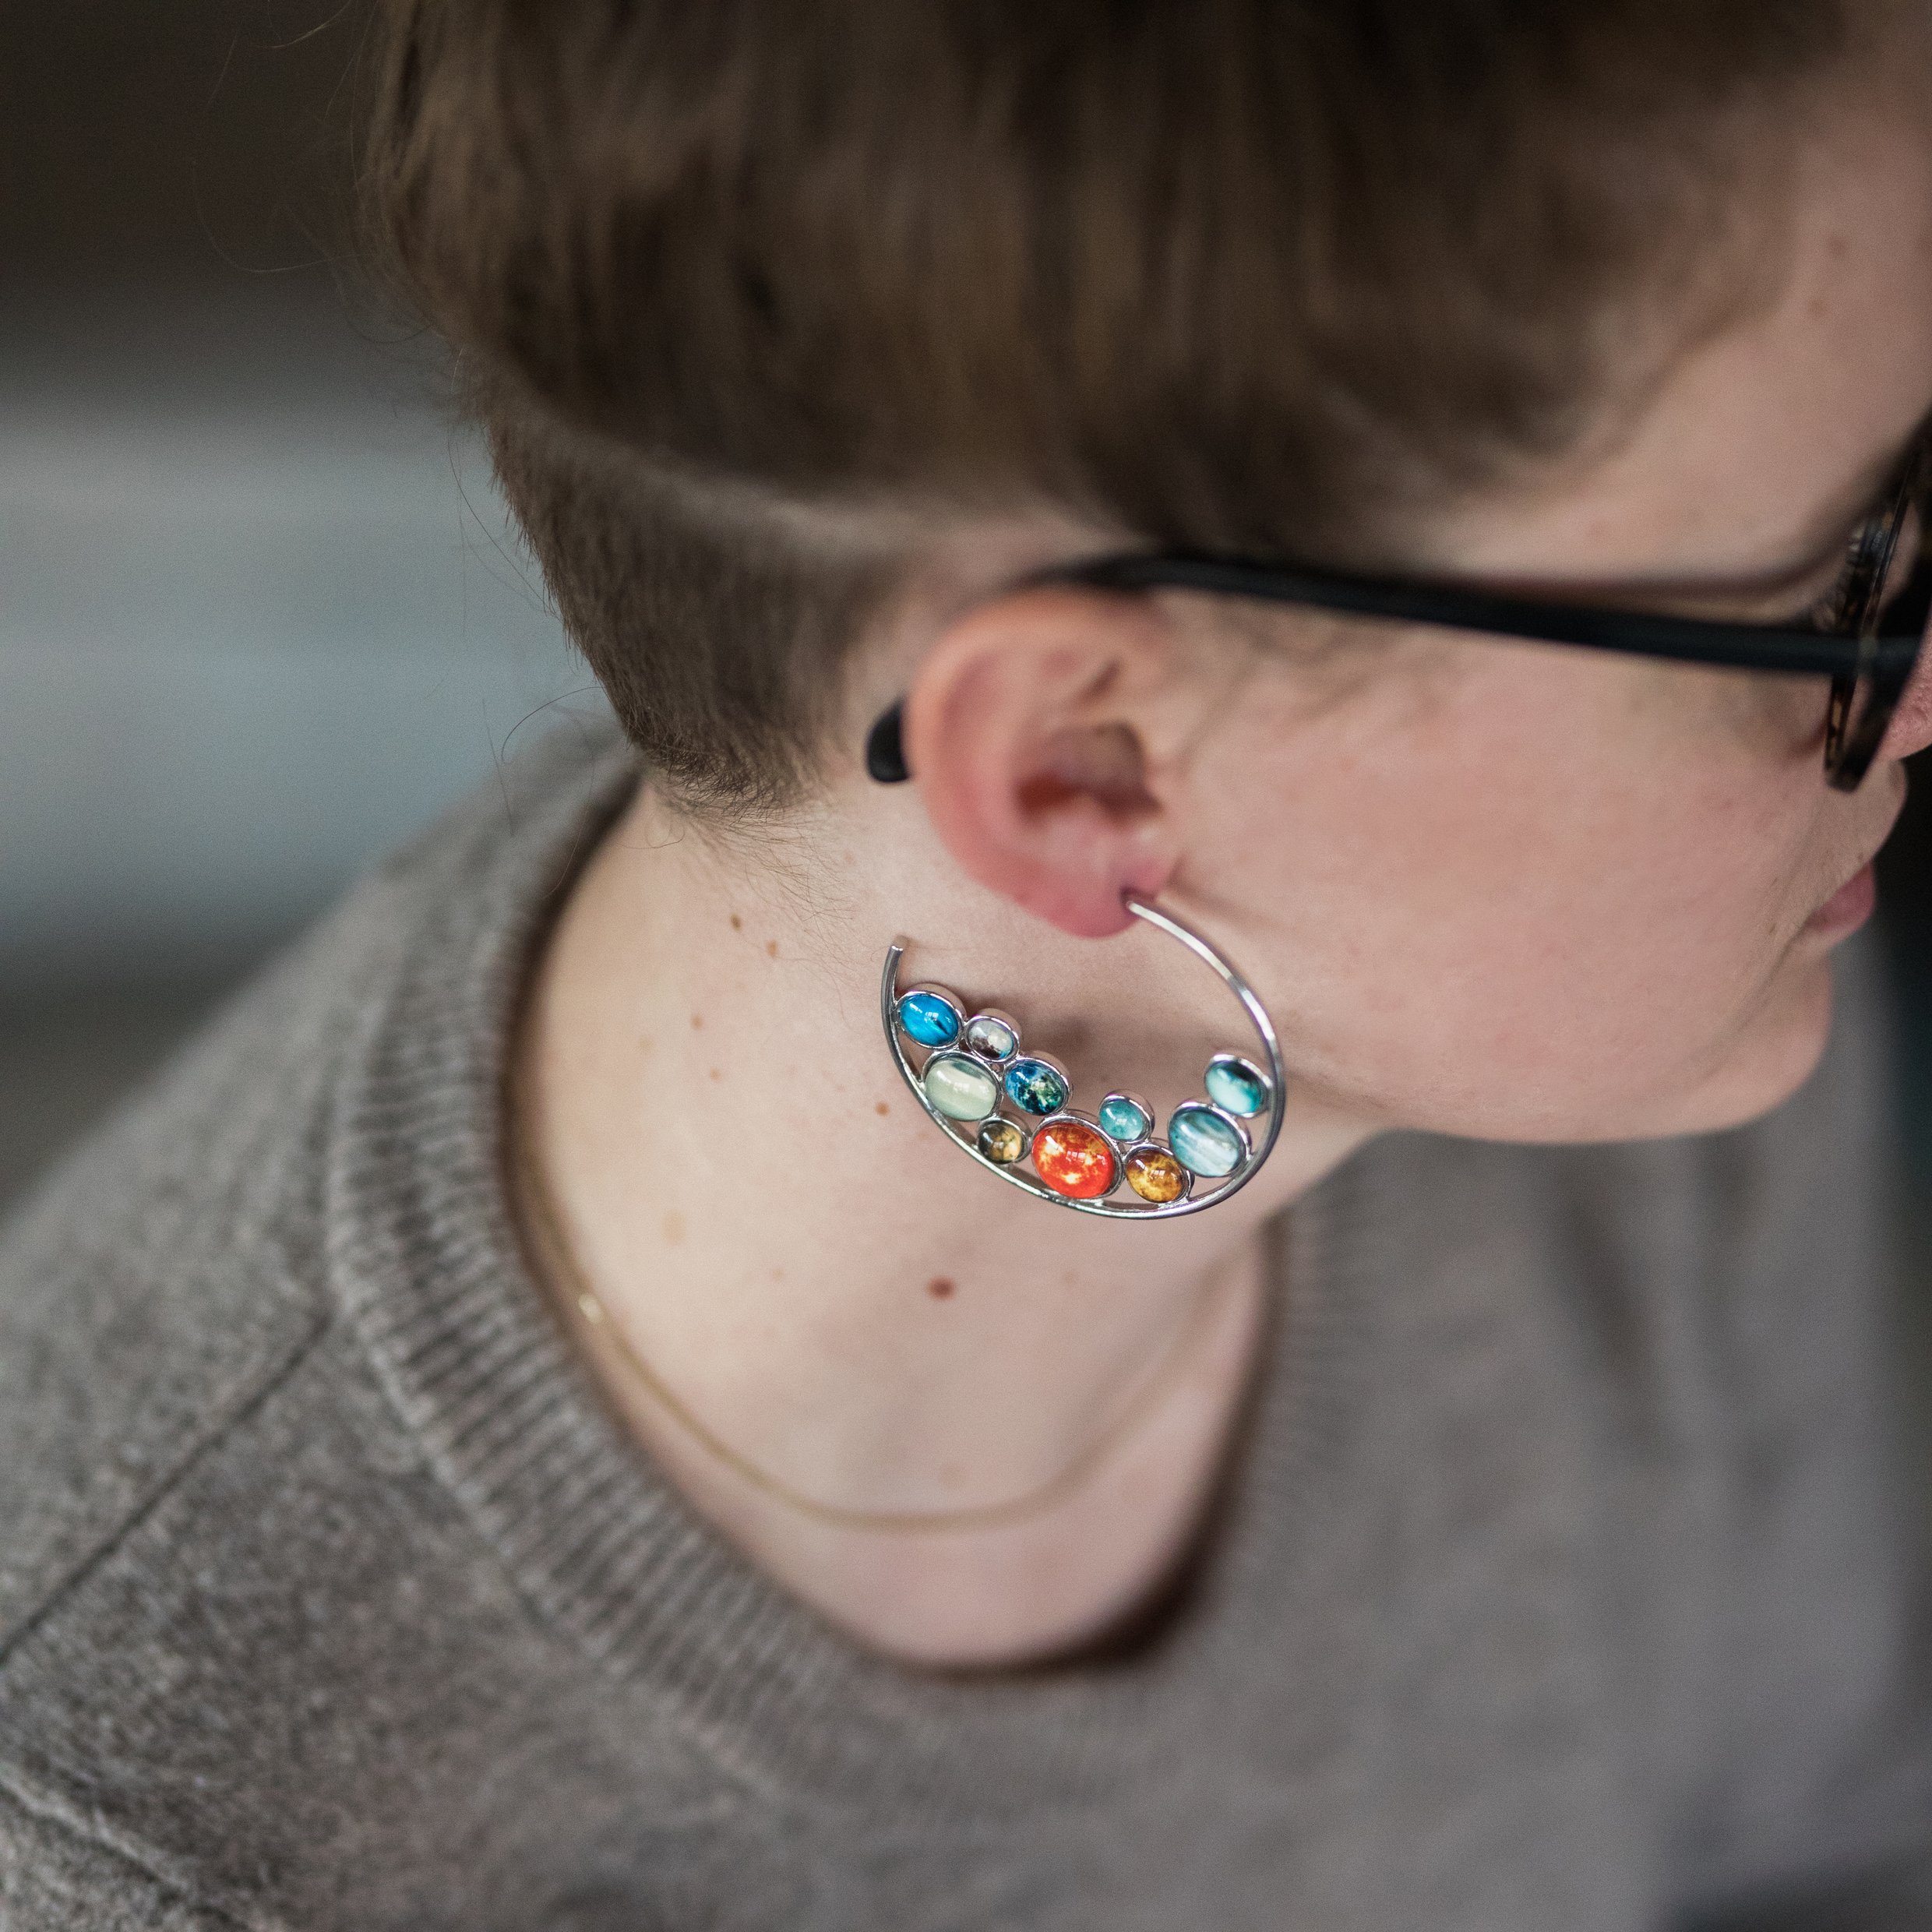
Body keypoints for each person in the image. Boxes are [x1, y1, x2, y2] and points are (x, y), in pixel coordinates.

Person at [3, 1, 1931, 1924]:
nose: (1913, 689)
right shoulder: (162, 1848)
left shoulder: (1671, 1050)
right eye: (1848, 589)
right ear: (1086, 767)